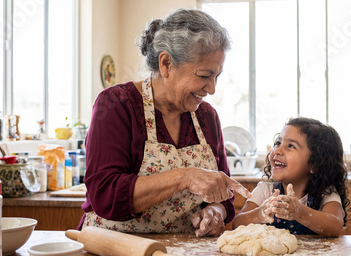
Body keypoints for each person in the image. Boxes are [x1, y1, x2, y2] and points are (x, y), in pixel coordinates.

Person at [78, 8, 251, 237]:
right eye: (203, 76)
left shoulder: (207, 117)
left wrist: (215, 212)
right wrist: (184, 177)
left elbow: (224, 198)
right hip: (114, 250)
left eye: (216, 76)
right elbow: (105, 196)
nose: (211, 89)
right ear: (166, 63)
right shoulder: (116, 105)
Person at [232, 117, 349, 236]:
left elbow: (335, 226)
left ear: (315, 164)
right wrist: (259, 213)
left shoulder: (326, 193)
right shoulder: (265, 190)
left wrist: (300, 212)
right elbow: (237, 224)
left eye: (291, 146)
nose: (277, 150)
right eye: (278, 143)